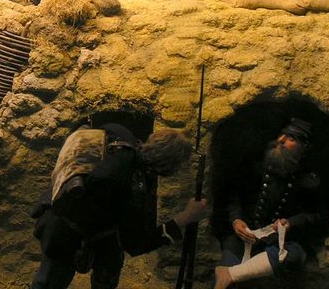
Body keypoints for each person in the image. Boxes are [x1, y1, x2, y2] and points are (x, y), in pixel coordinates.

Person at [31, 123, 207, 289]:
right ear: (170, 167)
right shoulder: (132, 188)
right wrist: (186, 217)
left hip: (60, 220)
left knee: (46, 282)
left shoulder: (118, 134)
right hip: (75, 234)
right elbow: (138, 243)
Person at [213, 118, 324, 288]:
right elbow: (233, 196)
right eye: (282, 135)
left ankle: (230, 274)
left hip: (281, 241)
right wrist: (236, 220)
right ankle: (229, 273)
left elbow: (317, 215)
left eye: (291, 139)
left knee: (295, 256)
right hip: (245, 234)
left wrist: (290, 223)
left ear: (304, 148)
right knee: (226, 279)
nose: (281, 140)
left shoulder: (309, 181)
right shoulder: (256, 166)